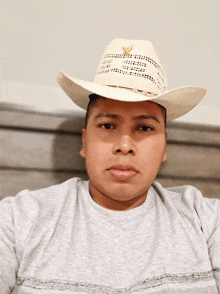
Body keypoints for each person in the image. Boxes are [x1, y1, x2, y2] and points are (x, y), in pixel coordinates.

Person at [0, 38, 219, 294]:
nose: (125, 145)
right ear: (85, 141)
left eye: (145, 127)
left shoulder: (207, 220)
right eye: (107, 125)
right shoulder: (18, 219)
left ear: (164, 148)